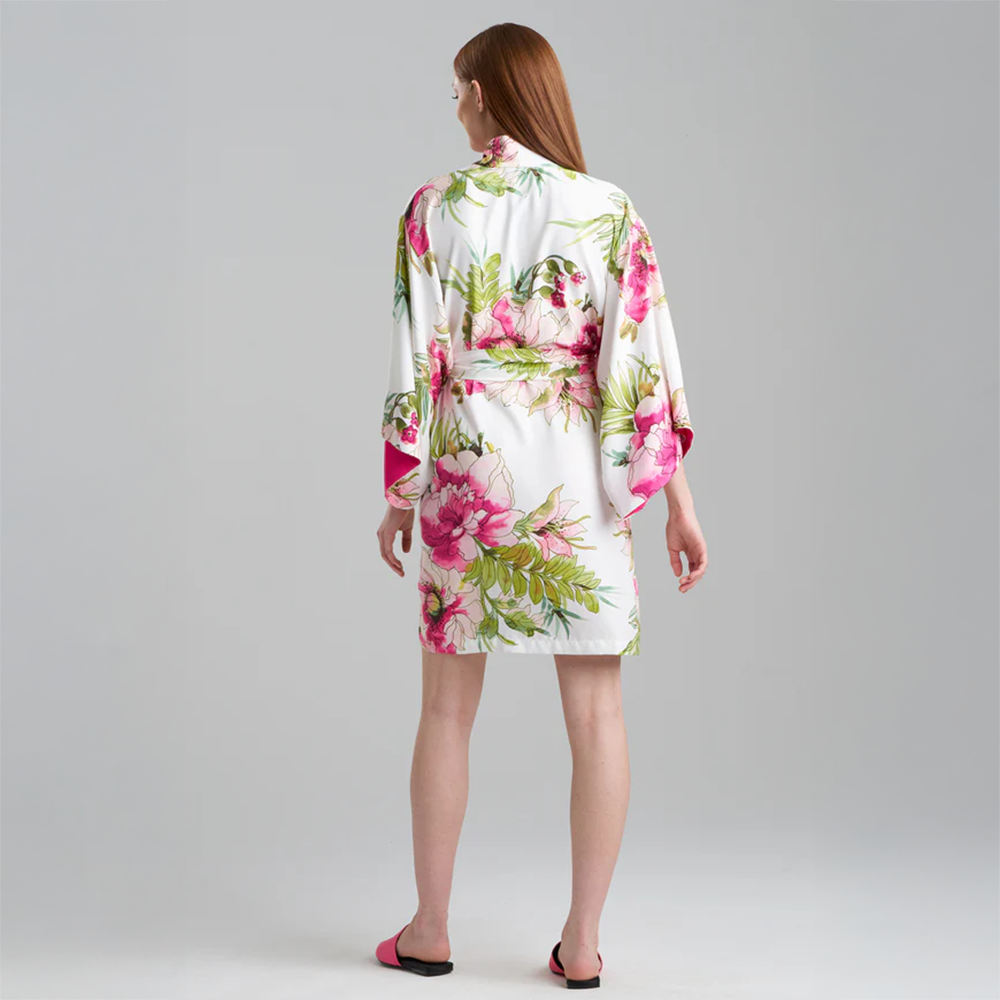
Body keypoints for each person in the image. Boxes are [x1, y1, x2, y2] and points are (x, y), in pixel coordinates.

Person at [374, 22, 708, 989]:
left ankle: (431, 931)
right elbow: (638, 373)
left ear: (482, 92)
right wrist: (679, 504)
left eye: (456, 92)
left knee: (446, 711)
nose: (456, 109)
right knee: (597, 715)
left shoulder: (433, 207)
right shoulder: (609, 210)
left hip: (468, 474)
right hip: (577, 478)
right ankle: (584, 945)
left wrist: (401, 494)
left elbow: (414, 364)